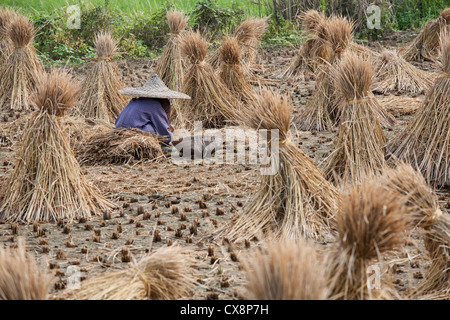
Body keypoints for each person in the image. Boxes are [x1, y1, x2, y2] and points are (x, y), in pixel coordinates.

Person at [116, 74, 190, 145]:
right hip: (132, 134)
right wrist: (170, 132)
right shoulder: (154, 105)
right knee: (152, 129)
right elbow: (165, 135)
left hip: (118, 130)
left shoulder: (134, 101)